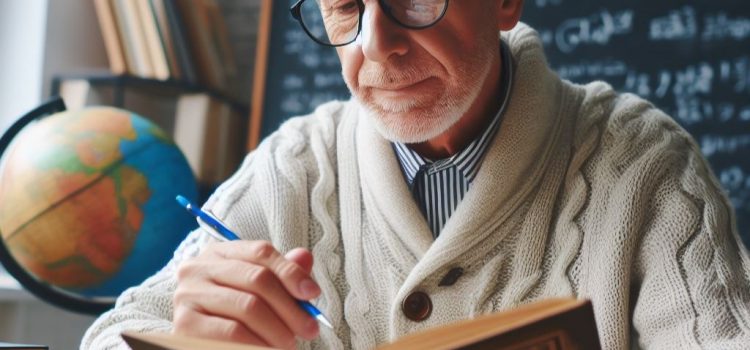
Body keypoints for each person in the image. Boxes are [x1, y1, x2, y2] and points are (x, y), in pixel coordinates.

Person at [82, 0, 750, 349]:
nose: (377, 45)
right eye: (347, 5)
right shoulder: (294, 168)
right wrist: (180, 346)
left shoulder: (642, 164)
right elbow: (112, 337)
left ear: (504, 0)